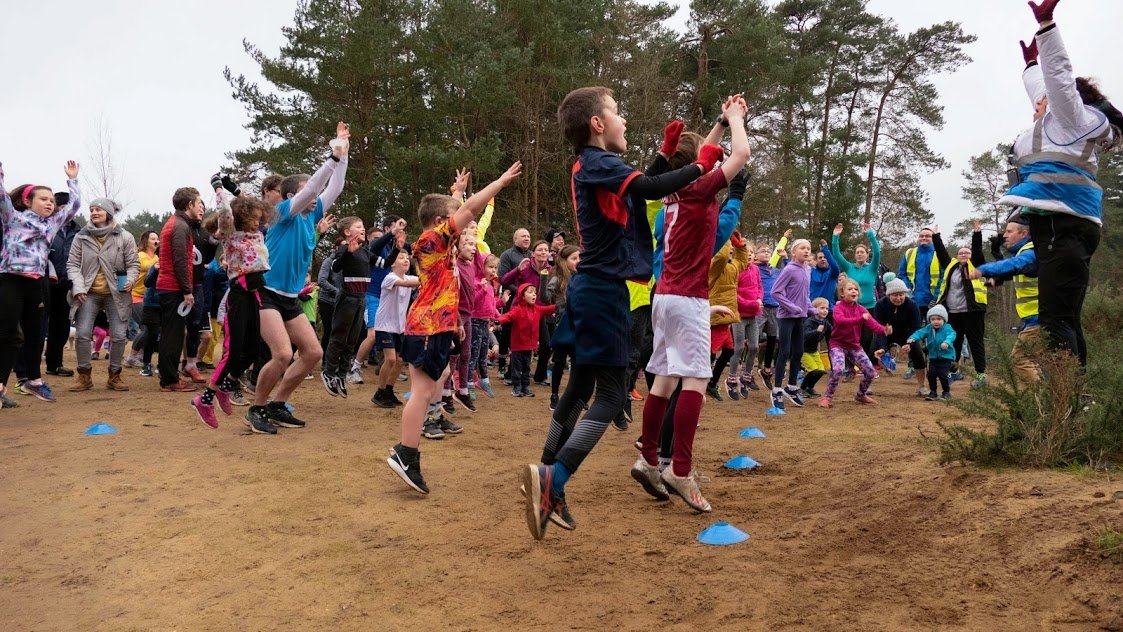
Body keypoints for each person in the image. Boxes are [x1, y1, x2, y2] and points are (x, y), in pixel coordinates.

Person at [522, 86, 721, 540]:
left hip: (591, 290)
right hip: (605, 292)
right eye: (616, 112)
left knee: (578, 390)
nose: (623, 120)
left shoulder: (591, 165)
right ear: (597, 124)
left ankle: (549, 477)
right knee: (611, 396)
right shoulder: (599, 163)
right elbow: (649, 189)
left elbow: (635, 189)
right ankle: (554, 480)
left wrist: (664, 154)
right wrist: (700, 163)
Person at [634, 98, 750, 514]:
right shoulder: (701, 188)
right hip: (686, 297)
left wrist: (719, 122)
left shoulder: (673, 190)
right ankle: (679, 469)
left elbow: (706, 155)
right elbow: (742, 154)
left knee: (663, 381)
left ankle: (649, 458)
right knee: (696, 381)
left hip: (664, 296)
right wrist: (737, 120)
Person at [996, 0, 1121, 367]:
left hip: (1066, 228)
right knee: (1062, 318)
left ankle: (1068, 395)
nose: (1037, 104)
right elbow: (1043, 87)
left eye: (1043, 100)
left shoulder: (1071, 119)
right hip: (1057, 227)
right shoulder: (1056, 124)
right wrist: (1031, 66)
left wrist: (1047, 27)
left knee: (1055, 322)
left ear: (1063, 102)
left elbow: (1060, 79)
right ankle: (1073, 396)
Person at [386, 163, 522, 494]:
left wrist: (456, 192)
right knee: (423, 392)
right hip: (429, 327)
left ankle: (407, 450)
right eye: (454, 216)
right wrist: (499, 183)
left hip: (435, 324)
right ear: (440, 223)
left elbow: (460, 213)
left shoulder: (437, 241)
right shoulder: (434, 238)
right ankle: (406, 453)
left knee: (434, 384)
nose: (462, 223)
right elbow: (471, 210)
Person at [250, 122, 349, 431]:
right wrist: (331, 158)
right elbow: (315, 187)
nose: (316, 195)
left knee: (313, 353)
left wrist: (343, 151)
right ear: (293, 194)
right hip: (265, 292)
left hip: (291, 297)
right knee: (281, 354)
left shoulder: (312, 215)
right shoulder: (282, 212)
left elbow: (336, 186)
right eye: (308, 190)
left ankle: (278, 404)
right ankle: (256, 409)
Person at [190, 190, 273, 430]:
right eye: (253, 216)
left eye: (259, 217)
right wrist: (219, 191)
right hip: (238, 294)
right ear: (241, 217)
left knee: (251, 350)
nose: (258, 221)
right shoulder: (230, 235)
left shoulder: (257, 235)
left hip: (255, 292)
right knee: (233, 353)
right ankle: (204, 400)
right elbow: (225, 214)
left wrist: (242, 195)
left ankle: (226, 387)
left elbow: (269, 214)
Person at [0, 160, 82, 403]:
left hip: (36, 283)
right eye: (43, 199)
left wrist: (73, 179)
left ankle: (33, 380)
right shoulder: (12, 218)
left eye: (51, 200)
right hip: (10, 281)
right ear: (27, 202)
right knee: (6, 334)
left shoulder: (52, 223)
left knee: (36, 334)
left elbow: (74, 205)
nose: (49, 203)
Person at [66, 198, 139, 392]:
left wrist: (130, 279)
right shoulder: (81, 237)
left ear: (108, 212)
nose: (94, 212)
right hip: (88, 293)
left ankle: (114, 376)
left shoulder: (125, 237)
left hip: (117, 293)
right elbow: (73, 265)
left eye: (98, 209)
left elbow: (133, 264)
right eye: (91, 210)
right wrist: (78, 287)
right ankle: (84, 376)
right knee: (82, 333)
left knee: (119, 335)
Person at [970, 219, 1041, 383]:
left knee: (1020, 360)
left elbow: (1015, 264)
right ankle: (1046, 402)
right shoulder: (1027, 251)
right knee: (1032, 361)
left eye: (1009, 231)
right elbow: (1015, 269)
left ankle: (1044, 403)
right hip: (1032, 319)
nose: (1005, 235)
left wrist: (982, 270)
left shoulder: (1030, 252)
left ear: (1024, 233)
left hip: (1038, 319)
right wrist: (997, 279)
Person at [156, 187, 204, 393]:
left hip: (169, 287)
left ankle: (168, 376)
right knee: (173, 335)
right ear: (189, 205)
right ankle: (169, 379)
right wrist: (187, 290)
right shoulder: (180, 226)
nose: (201, 206)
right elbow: (180, 261)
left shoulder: (176, 223)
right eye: (198, 203)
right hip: (173, 288)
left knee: (172, 333)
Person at [321, 216, 371, 398]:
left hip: (360, 299)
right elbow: (335, 267)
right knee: (339, 337)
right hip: (347, 298)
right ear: (348, 232)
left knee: (352, 339)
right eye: (359, 226)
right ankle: (329, 371)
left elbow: (384, 261)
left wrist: (395, 245)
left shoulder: (365, 251)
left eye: (363, 226)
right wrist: (348, 252)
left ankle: (341, 375)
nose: (363, 229)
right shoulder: (344, 248)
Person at [933, 222, 988, 388]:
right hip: (953, 312)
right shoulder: (951, 266)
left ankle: (981, 374)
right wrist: (936, 236)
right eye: (961, 253)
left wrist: (977, 234)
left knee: (975, 342)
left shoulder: (976, 265)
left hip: (973, 312)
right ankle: (954, 371)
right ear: (957, 256)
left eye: (967, 253)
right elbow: (941, 253)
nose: (964, 254)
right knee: (954, 342)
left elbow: (977, 252)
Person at [820, 278, 884, 408]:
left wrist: (885, 330)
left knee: (871, 372)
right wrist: (860, 319)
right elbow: (840, 321)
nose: (853, 291)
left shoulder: (862, 309)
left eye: (855, 289)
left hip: (854, 346)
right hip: (837, 344)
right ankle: (827, 397)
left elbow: (874, 325)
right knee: (837, 370)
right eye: (850, 289)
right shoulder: (838, 307)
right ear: (842, 293)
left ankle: (861, 395)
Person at [370, 251, 419, 408]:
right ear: (392, 263)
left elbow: (415, 280)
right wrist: (428, 278)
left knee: (400, 360)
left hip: (400, 327)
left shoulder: (410, 278)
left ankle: (389, 391)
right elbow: (408, 284)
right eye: (401, 258)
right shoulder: (389, 278)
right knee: (390, 358)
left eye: (406, 258)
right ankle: (379, 391)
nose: (405, 260)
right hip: (384, 325)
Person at [770, 238, 813, 409]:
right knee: (785, 351)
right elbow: (775, 292)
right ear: (794, 252)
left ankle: (792, 387)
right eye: (802, 248)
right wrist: (792, 307)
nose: (806, 251)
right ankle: (777, 390)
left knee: (799, 352)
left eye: (808, 248)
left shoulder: (808, 269)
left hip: (800, 317)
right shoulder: (788, 270)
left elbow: (805, 294)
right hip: (786, 316)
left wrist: (812, 308)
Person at [496, 282, 556, 397]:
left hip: (529, 346)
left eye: (534, 292)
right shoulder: (517, 309)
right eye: (530, 292)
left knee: (527, 368)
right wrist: (498, 320)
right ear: (522, 296)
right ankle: (517, 387)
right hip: (518, 346)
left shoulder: (537, 309)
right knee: (517, 368)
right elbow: (507, 316)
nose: (534, 295)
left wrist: (560, 306)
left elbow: (548, 309)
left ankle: (525, 386)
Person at [873, 277, 928, 396]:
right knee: (872, 351)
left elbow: (916, 328)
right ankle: (867, 385)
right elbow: (878, 328)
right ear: (888, 295)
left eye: (901, 294)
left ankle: (922, 386)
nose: (898, 298)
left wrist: (909, 343)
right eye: (895, 295)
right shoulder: (880, 305)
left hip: (907, 334)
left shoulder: (912, 305)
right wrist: (882, 347)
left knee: (918, 354)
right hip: (886, 333)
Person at [45, 209, 81, 378]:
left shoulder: (79, 231)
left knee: (61, 327)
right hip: (43, 281)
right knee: (36, 325)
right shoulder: (45, 226)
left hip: (66, 285)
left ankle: (55, 364)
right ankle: (24, 368)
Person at [545, 245, 579, 410]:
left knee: (577, 361)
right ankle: (554, 394)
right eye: (574, 259)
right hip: (562, 326)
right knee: (558, 362)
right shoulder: (557, 279)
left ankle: (575, 396)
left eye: (579, 258)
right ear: (564, 261)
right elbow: (547, 299)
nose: (578, 262)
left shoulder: (582, 278)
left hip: (579, 325)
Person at [728, 242, 763, 399]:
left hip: (753, 315)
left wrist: (759, 299)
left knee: (754, 347)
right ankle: (731, 378)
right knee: (739, 348)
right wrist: (751, 303)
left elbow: (760, 287)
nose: (749, 255)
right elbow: (734, 293)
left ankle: (746, 376)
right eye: (746, 252)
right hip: (739, 316)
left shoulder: (755, 269)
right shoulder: (736, 269)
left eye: (751, 252)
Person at [905, 304, 957, 401]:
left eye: (938, 319)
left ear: (944, 320)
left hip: (946, 357)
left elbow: (952, 335)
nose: (936, 321)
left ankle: (946, 392)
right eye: (933, 319)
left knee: (942, 374)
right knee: (931, 374)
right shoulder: (929, 328)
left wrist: (947, 342)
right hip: (933, 357)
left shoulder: (947, 328)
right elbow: (920, 333)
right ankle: (933, 392)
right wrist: (912, 338)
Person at [897, 226, 951, 320]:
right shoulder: (909, 253)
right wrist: (908, 291)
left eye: (927, 236)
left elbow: (944, 278)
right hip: (912, 300)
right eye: (921, 236)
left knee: (932, 331)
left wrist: (936, 298)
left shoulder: (939, 254)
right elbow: (902, 274)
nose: (924, 238)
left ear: (933, 238)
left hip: (933, 301)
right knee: (914, 330)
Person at [124, 230, 160, 369]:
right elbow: (147, 267)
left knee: (151, 328)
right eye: (153, 239)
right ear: (146, 241)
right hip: (135, 296)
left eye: (157, 238)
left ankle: (140, 355)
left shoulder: (157, 257)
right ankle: (131, 357)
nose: (156, 241)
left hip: (150, 298)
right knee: (147, 328)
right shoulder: (140, 256)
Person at [830, 223, 881, 309]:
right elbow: (836, 254)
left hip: (871, 307)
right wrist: (835, 237)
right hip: (853, 307)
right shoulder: (849, 267)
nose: (859, 254)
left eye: (862, 252)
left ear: (867, 255)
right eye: (857, 252)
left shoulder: (872, 268)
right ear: (855, 255)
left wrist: (870, 233)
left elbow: (877, 252)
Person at [799, 298, 832, 398]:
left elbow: (833, 333)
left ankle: (810, 388)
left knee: (821, 371)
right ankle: (802, 389)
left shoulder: (825, 323)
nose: (825, 310)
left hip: (814, 351)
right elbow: (805, 335)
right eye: (822, 308)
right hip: (804, 351)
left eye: (827, 308)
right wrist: (816, 331)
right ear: (814, 309)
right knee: (813, 370)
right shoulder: (809, 322)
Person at [810, 241, 840, 307]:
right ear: (816, 261)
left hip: (829, 310)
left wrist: (825, 250)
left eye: (825, 257)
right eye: (820, 258)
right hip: (813, 310)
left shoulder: (832, 273)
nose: (823, 259)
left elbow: (835, 266)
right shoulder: (810, 272)